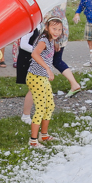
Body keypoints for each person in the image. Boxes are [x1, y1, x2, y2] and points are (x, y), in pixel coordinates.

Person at [28, 18, 63, 148]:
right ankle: (33, 140)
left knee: (50, 106)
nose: (57, 32)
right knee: (41, 109)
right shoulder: (43, 40)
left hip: (42, 77)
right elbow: (35, 54)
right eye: (54, 29)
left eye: (59, 29)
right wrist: (48, 69)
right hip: (36, 77)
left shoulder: (50, 39)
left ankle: (44, 135)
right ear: (47, 27)